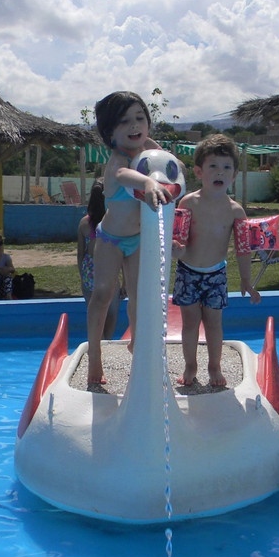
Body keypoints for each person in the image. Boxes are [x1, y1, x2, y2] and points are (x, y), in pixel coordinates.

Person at [86, 91, 173, 388]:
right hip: (110, 239)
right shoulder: (117, 161)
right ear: (110, 132)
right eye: (124, 122)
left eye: (140, 118)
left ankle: (137, 344)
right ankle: (94, 352)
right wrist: (148, 181)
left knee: (138, 296)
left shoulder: (150, 149)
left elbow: (170, 168)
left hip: (137, 239)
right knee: (102, 294)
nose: (135, 126)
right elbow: (125, 176)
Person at [173, 134, 261, 387]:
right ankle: (190, 365)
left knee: (214, 324)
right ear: (199, 171)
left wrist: (246, 280)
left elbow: (243, 249)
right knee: (190, 323)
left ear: (233, 175)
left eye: (226, 167)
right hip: (188, 272)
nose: (219, 172)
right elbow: (178, 241)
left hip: (216, 276)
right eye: (213, 166)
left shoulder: (235, 210)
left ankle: (214, 366)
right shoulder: (188, 202)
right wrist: (175, 251)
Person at [77, 180, 119, 339]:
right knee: (112, 313)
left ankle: (98, 342)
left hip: (89, 273)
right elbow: (118, 251)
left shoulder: (84, 223)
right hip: (107, 271)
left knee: (94, 313)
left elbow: (80, 254)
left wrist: (82, 276)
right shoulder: (111, 222)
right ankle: (106, 341)